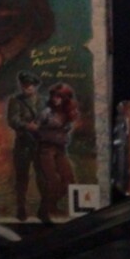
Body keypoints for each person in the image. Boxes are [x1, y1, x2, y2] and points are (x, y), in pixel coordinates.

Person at [35, 83, 79, 224]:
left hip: (60, 149)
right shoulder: (47, 113)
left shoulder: (69, 113)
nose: (55, 99)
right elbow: (36, 128)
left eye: (59, 96)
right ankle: (45, 210)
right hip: (46, 148)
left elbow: (68, 128)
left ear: (65, 98)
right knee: (53, 181)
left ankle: (49, 206)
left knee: (69, 180)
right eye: (54, 96)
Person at [6, 71, 44, 221]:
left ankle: (44, 208)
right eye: (25, 85)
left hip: (40, 144)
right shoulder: (16, 101)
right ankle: (21, 207)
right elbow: (12, 120)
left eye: (30, 85)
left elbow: (50, 119)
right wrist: (28, 126)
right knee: (21, 178)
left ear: (35, 86)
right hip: (23, 144)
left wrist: (42, 127)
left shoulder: (43, 101)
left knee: (42, 176)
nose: (27, 88)